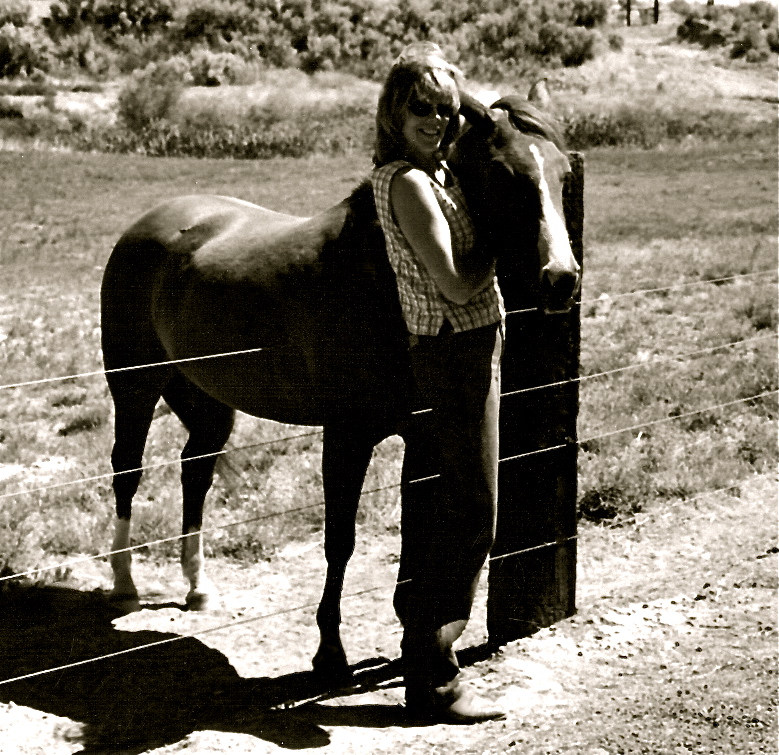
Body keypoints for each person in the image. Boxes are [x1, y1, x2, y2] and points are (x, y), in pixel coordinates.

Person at [371, 43, 506, 724]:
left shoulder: (436, 171)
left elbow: (482, 118)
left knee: (454, 506)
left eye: (445, 110)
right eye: (420, 107)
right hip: (452, 353)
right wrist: (503, 241)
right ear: (394, 112)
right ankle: (434, 672)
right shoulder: (408, 184)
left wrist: (467, 107)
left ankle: (427, 665)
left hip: (464, 351)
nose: (435, 120)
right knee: (474, 510)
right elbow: (454, 285)